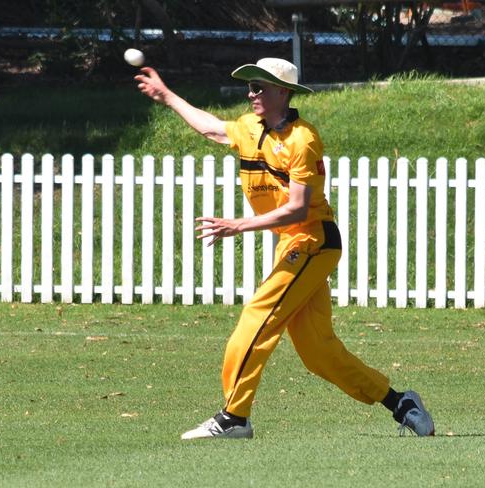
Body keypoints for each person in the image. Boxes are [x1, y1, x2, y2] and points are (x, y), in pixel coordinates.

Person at [134, 58, 434, 439]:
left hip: (313, 240)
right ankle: (400, 402)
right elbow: (211, 128)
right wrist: (167, 96)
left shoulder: (302, 139)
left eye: (259, 87)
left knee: (257, 319)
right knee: (319, 353)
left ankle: (233, 418)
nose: (251, 94)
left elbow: (296, 207)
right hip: (293, 244)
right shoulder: (248, 127)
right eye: (250, 87)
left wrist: (238, 225)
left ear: (282, 92)